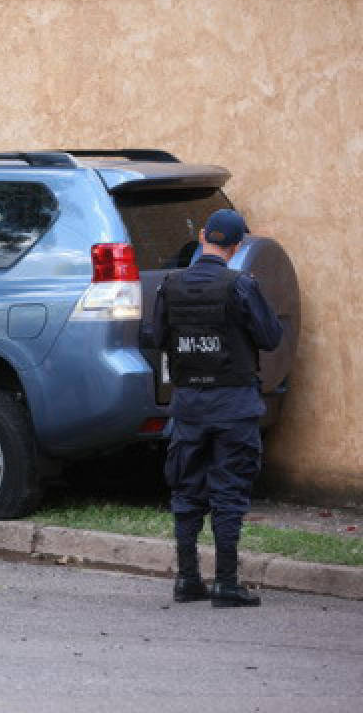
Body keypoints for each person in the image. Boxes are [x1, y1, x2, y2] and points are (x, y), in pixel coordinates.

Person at [143, 209, 284, 607]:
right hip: (233, 405)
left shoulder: (170, 286)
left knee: (186, 489)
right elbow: (271, 337)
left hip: (188, 404)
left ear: (203, 235)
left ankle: (187, 580)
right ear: (237, 246)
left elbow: (156, 336)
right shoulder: (240, 285)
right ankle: (226, 583)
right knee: (229, 492)